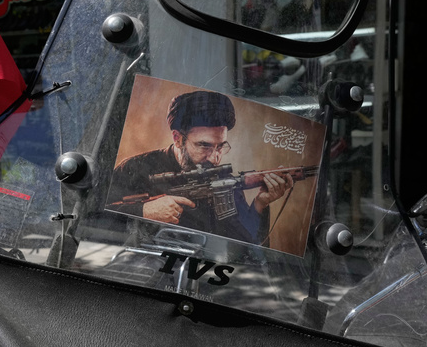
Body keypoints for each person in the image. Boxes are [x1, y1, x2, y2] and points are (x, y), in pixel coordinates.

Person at [108, 90, 293, 245]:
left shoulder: (223, 181)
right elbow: (95, 219)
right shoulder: (135, 168)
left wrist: (260, 204)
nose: (214, 158)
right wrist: (143, 212)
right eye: (204, 145)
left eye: (220, 146)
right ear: (177, 138)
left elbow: (248, 248)